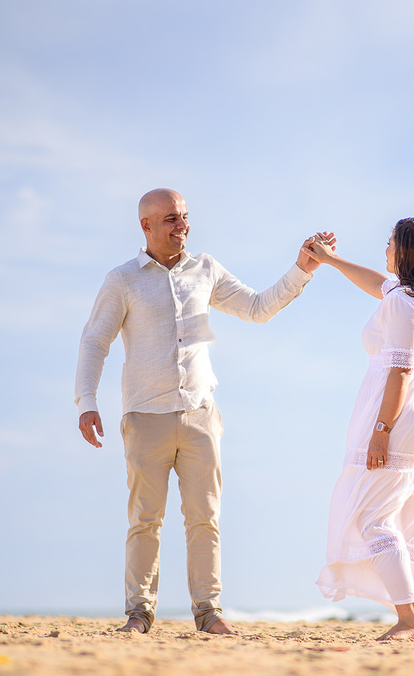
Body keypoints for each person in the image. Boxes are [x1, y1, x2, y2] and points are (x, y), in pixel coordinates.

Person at [75, 188, 327, 635]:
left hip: (200, 414)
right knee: (145, 520)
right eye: (171, 218)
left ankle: (209, 613)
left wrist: (301, 269)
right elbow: (96, 340)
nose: (182, 225)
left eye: (185, 216)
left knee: (204, 519)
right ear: (146, 226)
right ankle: (139, 614)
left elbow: (257, 308)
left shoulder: (206, 269)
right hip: (145, 416)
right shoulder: (122, 280)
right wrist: (87, 402)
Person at [303, 217, 414, 640]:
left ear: (404, 251)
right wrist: (332, 260)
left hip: (402, 409)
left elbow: (400, 371)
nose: (385, 249)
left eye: (390, 243)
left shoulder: (403, 302)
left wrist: (381, 429)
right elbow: (377, 283)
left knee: (371, 515)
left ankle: (410, 620)